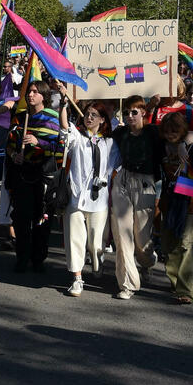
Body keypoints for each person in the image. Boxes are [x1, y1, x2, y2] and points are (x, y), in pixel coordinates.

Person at [3, 81, 64, 273]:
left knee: (42, 218)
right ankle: (22, 257)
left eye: (35, 92)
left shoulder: (53, 118)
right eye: (29, 92)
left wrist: (40, 142)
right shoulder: (21, 118)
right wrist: (14, 155)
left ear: (44, 96)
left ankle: (38, 258)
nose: (30, 95)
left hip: (44, 174)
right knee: (21, 219)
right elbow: (9, 143)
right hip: (23, 174)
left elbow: (61, 148)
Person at [158, 113, 193, 305]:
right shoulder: (163, 147)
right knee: (169, 245)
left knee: (186, 245)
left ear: (181, 130)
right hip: (170, 201)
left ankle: (186, 291)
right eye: (167, 131)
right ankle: (175, 280)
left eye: (174, 130)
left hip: (191, 202)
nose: (170, 134)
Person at [109, 95, 163, 299]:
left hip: (145, 183)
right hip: (123, 181)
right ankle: (128, 284)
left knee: (142, 238)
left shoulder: (152, 132)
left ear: (142, 113)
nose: (130, 116)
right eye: (126, 112)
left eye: (134, 112)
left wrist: (151, 105)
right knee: (122, 234)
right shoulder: (120, 133)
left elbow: (179, 136)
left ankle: (147, 260)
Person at [61, 102, 114, 296]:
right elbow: (66, 127)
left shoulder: (109, 142)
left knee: (95, 243)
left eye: (94, 115)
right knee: (75, 238)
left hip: (98, 199)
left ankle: (97, 260)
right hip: (76, 197)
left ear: (102, 119)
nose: (89, 118)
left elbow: (116, 164)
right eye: (87, 114)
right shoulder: (78, 137)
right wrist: (64, 107)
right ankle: (77, 278)